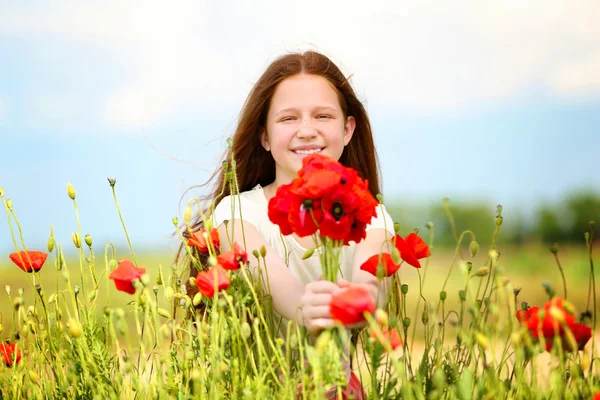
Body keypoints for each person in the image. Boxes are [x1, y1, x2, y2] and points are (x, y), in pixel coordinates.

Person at [180, 50, 395, 399]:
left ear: (348, 129)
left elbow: (373, 282)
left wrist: (362, 299)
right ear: (264, 136)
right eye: (288, 119)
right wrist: (309, 306)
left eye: (323, 116)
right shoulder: (237, 213)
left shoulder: (373, 215)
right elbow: (274, 282)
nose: (307, 131)